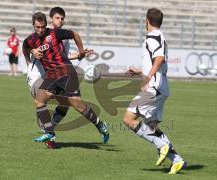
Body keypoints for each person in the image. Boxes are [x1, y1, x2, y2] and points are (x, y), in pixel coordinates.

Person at [23, 12, 109, 148]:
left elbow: (75, 34)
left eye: (42, 27)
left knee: (77, 105)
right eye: (37, 27)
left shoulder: (55, 34)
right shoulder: (30, 40)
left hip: (67, 72)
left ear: (46, 24)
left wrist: (81, 52)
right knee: (39, 100)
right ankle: (49, 133)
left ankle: (100, 124)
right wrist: (30, 59)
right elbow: (25, 47)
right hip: (51, 76)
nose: (40, 30)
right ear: (33, 26)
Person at [124, 8, 187, 174]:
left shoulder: (152, 37)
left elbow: (159, 58)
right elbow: (156, 61)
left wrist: (147, 77)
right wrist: (140, 71)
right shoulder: (160, 36)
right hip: (161, 87)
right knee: (151, 126)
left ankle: (162, 145)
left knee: (128, 119)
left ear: (147, 21)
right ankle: (177, 160)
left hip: (153, 87)